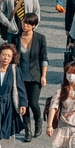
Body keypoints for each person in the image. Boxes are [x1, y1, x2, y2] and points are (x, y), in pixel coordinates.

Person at [15, 13, 48, 141]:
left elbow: (44, 58)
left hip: (35, 76)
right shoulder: (16, 38)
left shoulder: (40, 38)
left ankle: (38, 121)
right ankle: (27, 130)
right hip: (20, 77)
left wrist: (43, 76)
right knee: (24, 104)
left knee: (33, 103)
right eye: (24, 22)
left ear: (34, 26)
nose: (25, 25)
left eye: (28, 23)